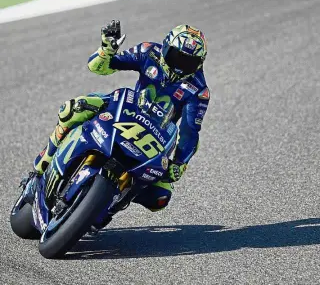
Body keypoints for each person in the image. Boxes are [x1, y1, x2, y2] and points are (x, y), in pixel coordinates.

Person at [23, 20, 210, 226]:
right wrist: (107, 50)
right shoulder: (148, 52)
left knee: (161, 197)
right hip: (125, 109)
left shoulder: (198, 90)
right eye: (176, 56)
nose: (179, 65)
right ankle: (40, 169)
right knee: (72, 108)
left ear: (199, 63)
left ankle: (109, 207)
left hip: (156, 134)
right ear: (166, 47)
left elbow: (190, 131)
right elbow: (98, 68)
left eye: (188, 62)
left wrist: (179, 163)